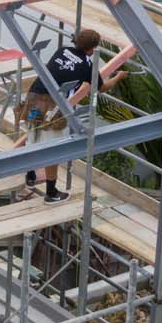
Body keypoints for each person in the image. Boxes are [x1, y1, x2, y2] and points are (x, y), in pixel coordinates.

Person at [21, 27, 107, 202]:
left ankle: (30, 176)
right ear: (92, 49)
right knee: (54, 149)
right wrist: (119, 76)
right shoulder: (87, 66)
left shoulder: (62, 50)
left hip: (33, 96)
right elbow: (102, 88)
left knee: (32, 136)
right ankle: (51, 194)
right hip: (53, 105)